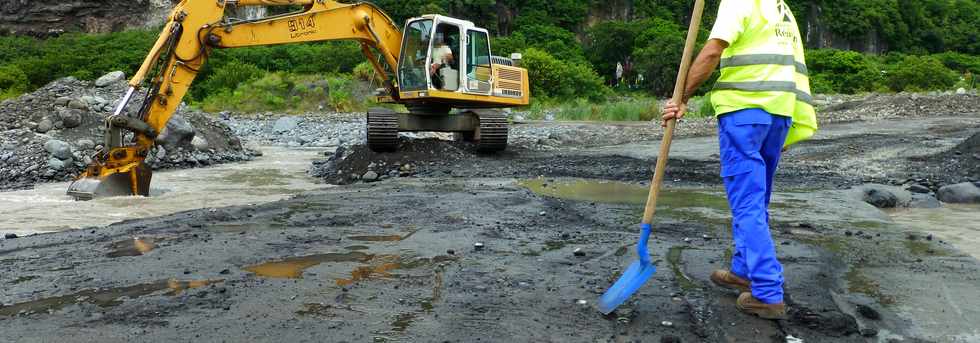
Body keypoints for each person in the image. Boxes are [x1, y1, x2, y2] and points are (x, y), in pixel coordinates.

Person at [661, 0, 818, 319]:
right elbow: (795, 71)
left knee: (746, 203)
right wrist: (791, 126)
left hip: (745, 114)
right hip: (779, 114)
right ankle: (744, 269)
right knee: (756, 201)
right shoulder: (781, 8)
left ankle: (767, 292)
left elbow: (712, 51)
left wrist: (682, 98)